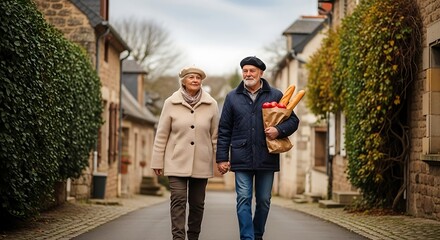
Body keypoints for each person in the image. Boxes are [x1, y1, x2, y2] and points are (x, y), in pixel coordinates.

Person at [216, 56, 300, 240]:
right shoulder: (232, 97)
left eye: (252, 70)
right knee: (243, 198)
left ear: (261, 73)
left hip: (266, 156)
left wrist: (278, 130)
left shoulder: (275, 95)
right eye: (245, 71)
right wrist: (222, 158)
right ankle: (247, 237)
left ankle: (257, 234)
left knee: (263, 200)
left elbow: (293, 121)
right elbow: (224, 129)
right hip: (241, 156)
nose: (248, 74)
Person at [151, 66, 219, 240]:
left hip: (201, 162)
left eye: (198, 77)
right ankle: (178, 238)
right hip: (176, 161)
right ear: (183, 81)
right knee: (178, 200)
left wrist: (221, 159)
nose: (195, 80)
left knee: (197, 204)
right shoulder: (170, 103)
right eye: (191, 77)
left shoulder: (211, 104)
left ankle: (193, 236)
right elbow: (162, 134)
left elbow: (216, 136)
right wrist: (157, 161)